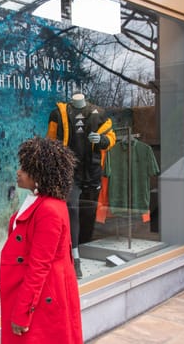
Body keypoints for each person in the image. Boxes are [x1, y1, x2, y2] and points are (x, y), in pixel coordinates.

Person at [0, 137, 83, 343]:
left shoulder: (48, 209)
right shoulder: (41, 202)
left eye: (25, 168)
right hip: (38, 292)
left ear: (40, 175)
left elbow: (39, 266)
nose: (18, 172)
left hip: (43, 297)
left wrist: (22, 312)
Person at [46, 93, 116, 278]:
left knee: (89, 211)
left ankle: (83, 247)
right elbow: (51, 142)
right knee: (72, 208)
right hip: (69, 172)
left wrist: (101, 141)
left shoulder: (99, 114)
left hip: (92, 171)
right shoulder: (58, 114)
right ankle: (74, 258)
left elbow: (111, 138)